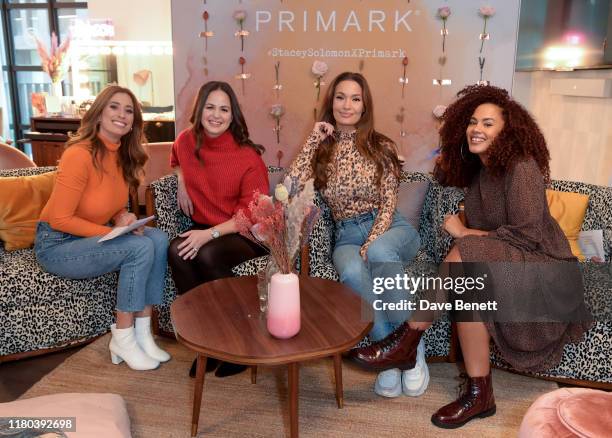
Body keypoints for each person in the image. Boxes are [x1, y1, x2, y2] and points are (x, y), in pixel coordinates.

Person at [350, 84, 591, 428]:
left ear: (509, 131)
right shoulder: (481, 172)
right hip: (508, 263)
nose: (477, 128)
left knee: (464, 252)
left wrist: (463, 233)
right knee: (466, 286)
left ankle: (408, 338)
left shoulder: (521, 168)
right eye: (472, 121)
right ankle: (480, 395)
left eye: (489, 123)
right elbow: (454, 187)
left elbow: (525, 239)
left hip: (545, 269)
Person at [287, 72, 424, 398]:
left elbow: (390, 201)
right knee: (349, 270)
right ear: (330, 102)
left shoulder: (382, 145)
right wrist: (313, 139)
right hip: (346, 233)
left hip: (391, 226)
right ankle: (388, 354)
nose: (346, 105)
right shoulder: (323, 149)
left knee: (378, 254)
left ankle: (412, 349)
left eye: (355, 98)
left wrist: (373, 239)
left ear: (365, 106)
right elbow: (290, 186)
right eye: (340, 97)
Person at [35, 85, 170, 371]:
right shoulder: (79, 154)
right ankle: (122, 336)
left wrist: (123, 217)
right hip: (57, 245)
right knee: (139, 246)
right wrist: (112, 233)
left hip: (88, 237)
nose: (122, 114)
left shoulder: (123, 155)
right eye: (114, 107)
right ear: (98, 113)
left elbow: (106, 200)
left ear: (134, 121)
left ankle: (144, 332)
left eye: (129, 110)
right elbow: (59, 219)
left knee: (157, 238)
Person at [168, 81, 268, 378]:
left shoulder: (247, 155)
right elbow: (175, 158)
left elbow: (252, 214)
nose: (216, 115)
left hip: (247, 233)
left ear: (232, 114)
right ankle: (207, 343)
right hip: (208, 228)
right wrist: (181, 181)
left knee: (207, 255)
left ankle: (241, 342)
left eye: (224, 109)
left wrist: (208, 234)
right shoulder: (187, 140)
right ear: (199, 110)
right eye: (210, 107)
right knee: (176, 251)